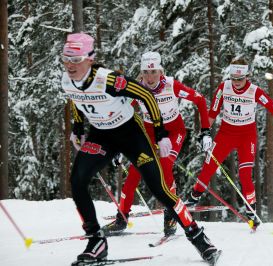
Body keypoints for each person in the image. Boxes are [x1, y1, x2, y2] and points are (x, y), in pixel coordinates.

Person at [61, 33, 219, 264]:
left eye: (76, 60)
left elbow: (147, 96)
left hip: (131, 135)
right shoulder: (66, 80)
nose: (70, 65)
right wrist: (77, 129)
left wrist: (161, 133)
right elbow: (76, 99)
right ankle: (96, 241)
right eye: (66, 59)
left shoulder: (109, 79)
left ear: (90, 59)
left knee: (160, 188)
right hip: (101, 135)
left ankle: (198, 237)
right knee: (77, 180)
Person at [102, 51, 212, 237]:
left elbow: (200, 100)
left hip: (174, 132)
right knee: (133, 175)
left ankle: (171, 214)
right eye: (146, 72)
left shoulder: (171, 85)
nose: (150, 77)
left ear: (160, 71)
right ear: (141, 72)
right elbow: (120, 115)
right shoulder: (135, 89)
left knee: (165, 166)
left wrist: (205, 132)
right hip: (149, 133)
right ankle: (122, 218)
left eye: (154, 72)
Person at [185, 58, 273, 229]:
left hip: (246, 136)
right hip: (226, 133)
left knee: (245, 175)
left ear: (247, 76)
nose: (236, 82)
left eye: (240, 79)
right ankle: (192, 198)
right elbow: (213, 112)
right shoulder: (224, 88)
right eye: (233, 78)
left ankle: (251, 211)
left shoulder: (255, 91)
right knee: (208, 166)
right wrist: (204, 132)